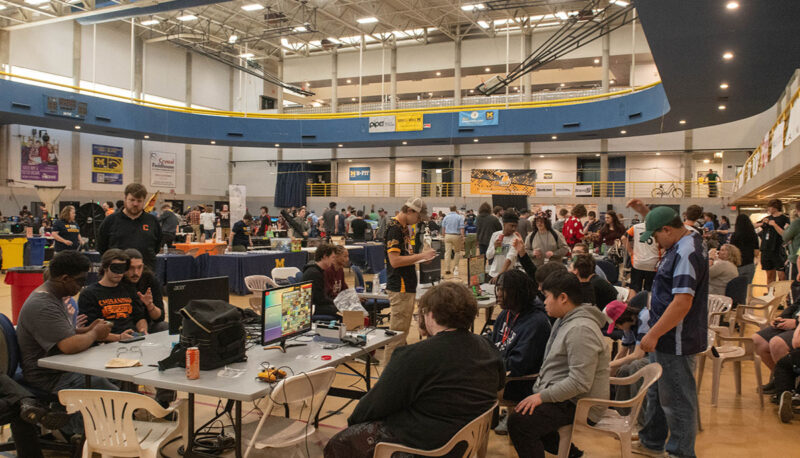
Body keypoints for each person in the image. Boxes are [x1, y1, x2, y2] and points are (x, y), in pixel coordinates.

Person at [324, 282, 505, 458]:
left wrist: (354, 424)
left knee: (340, 443)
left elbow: (370, 407)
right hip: (465, 442)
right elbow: (498, 387)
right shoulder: (487, 346)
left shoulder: (416, 356)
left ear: (431, 315)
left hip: (428, 448)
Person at [626, 201, 707, 458]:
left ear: (668, 230)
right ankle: (652, 440)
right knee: (658, 390)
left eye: (657, 236)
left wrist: (653, 333)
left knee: (677, 400)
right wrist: (645, 214)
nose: (656, 243)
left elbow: (682, 302)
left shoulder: (686, 253)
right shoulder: (686, 236)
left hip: (675, 338)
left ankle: (681, 453)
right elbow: (668, 224)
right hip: (667, 336)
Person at [507, 271, 610, 458]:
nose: (544, 302)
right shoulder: (564, 320)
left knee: (520, 422)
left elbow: (580, 383)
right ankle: (572, 454)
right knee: (524, 407)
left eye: (546, 297)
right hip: (567, 397)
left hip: (582, 404)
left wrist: (542, 397)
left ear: (563, 298)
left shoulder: (581, 329)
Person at [16, 251, 118, 430]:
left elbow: (62, 333)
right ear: (64, 278)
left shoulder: (54, 297)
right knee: (102, 385)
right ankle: (83, 434)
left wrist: (87, 330)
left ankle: (86, 428)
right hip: (47, 376)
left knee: (113, 374)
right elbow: (68, 345)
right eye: (80, 281)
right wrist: (94, 334)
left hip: (57, 367)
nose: (82, 285)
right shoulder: (43, 305)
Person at [490, 269, 552, 434]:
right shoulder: (507, 313)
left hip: (519, 382)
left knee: (467, 390)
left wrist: (486, 366)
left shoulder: (537, 323)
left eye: (503, 289)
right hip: (499, 373)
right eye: (498, 289)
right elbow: (492, 344)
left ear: (518, 292)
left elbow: (518, 365)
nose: (499, 294)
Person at [383, 198, 437, 362]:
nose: (418, 221)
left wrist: (421, 259)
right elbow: (395, 261)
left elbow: (405, 256)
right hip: (400, 288)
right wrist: (421, 256)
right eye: (419, 217)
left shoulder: (404, 228)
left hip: (406, 286)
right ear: (410, 211)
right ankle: (389, 381)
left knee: (401, 336)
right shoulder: (394, 229)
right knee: (396, 338)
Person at [78, 249, 148, 340]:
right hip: (105, 343)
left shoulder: (129, 289)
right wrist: (119, 337)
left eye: (123, 269)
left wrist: (143, 331)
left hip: (133, 338)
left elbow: (140, 317)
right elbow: (90, 330)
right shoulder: (89, 294)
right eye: (115, 268)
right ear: (105, 267)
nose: (119, 273)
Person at [97, 183, 162, 270]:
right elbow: (101, 247)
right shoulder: (110, 220)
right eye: (132, 200)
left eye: (139, 201)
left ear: (144, 201)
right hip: (118, 273)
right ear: (125, 199)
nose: (135, 204)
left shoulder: (152, 221)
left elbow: (157, 247)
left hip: (146, 273)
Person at [122, 248, 167, 333]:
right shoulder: (118, 281)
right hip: (124, 325)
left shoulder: (150, 279)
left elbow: (160, 318)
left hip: (146, 323)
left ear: (143, 266)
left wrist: (150, 306)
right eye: (131, 268)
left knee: (163, 326)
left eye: (139, 267)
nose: (136, 272)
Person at [302, 244, 349, 319]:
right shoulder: (314, 273)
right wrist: (337, 302)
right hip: (311, 307)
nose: (333, 260)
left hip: (318, 304)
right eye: (332, 257)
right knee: (341, 310)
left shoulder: (319, 271)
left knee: (342, 307)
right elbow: (320, 299)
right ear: (325, 256)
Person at [622, 204, 661, 292]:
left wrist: (630, 252)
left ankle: (632, 305)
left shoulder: (636, 227)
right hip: (653, 264)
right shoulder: (659, 228)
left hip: (638, 262)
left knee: (634, 289)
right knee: (649, 290)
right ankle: (647, 304)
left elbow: (623, 238)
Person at [756, 199, 790, 284]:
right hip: (766, 250)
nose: (768, 209)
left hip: (778, 250)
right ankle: (770, 295)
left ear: (775, 207)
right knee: (769, 275)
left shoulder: (785, 219)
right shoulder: (767, 218)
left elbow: (784, 234)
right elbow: (753, 225)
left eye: (769, 207)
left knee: (782, 275)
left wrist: (774, 225)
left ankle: (782, 295)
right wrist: (762, 223)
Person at [487, 211, 522, 282]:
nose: (514, 229)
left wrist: (499, 276)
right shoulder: (495, 235)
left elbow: (509, 259)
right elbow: (488, 256)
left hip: (507, 276)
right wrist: (495, 247)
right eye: (512, 226)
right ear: (504, 224)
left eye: (515, 226)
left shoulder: (516, 239)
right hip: (493, 273)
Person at [729, 213, 760, 282]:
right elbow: (756, 252)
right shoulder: (753, 235)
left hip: (737, 265)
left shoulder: (734, 235)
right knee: (748, 287)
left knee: (737, 287)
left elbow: (731, 251)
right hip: (749, 264)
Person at [780, 201, 800, 297]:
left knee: (794, 285)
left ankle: (794, 309)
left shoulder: (796, 223)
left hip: (796, 259)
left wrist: (788, 228)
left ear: (797, 210)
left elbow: (785, 237)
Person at [441, 205, 465, 276]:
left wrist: (443, 235)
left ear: (450, 209)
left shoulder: (446, 217)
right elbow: (461, 228)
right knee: (457, 252)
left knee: (447, 252)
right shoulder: (459, 217)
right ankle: (455, 268)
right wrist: (462, 236)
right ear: (456, 209)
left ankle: (447, 269)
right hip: (456, 236)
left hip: (447, 235)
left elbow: (443, 228)